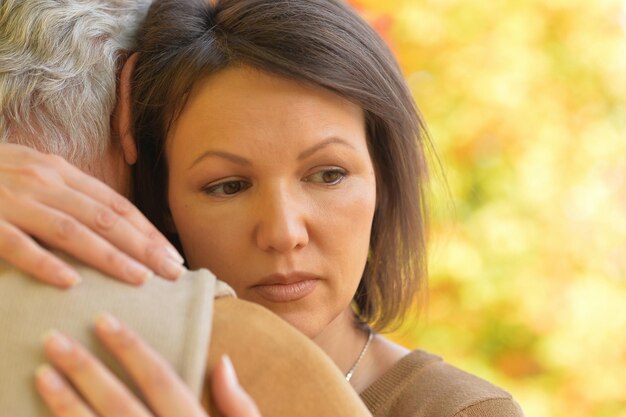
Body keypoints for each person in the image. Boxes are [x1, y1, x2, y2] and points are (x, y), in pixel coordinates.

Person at [2, 1, 525, 417]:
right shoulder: (92, 363)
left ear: (383, 178)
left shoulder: (461, 411)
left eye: (328, 175)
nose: (282, 232)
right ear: (162, 202)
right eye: (228, 186)